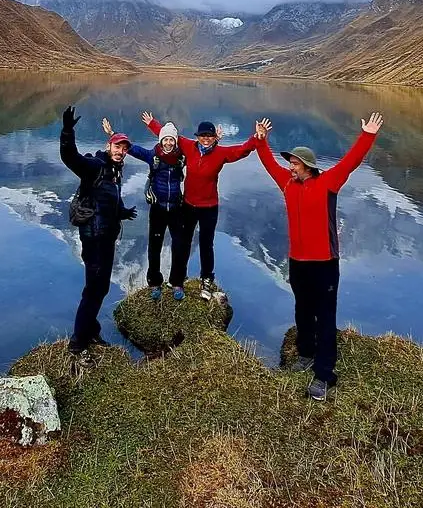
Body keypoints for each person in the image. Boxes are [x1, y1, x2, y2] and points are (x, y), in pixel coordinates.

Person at [254, 111, 385, 401]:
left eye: (294, 163)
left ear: (308, 166)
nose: (289, 167)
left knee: (325, 317)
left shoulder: (328, 183)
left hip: (325, 263)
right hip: (297, 262)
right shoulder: (287, 183)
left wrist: (367, 135)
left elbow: (350, 162)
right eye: (290, 163)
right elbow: (268, 163)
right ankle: (305, 354)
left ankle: (324, 375)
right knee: (302, 309)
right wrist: (261, 141)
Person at [141, 110, 256, 300]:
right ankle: (179, 278)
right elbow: (169, 136)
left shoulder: (221, 153)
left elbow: (241, 150)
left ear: (215, 137)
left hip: (209, 207)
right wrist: (152, 123)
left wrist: (256, 139)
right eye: (203, 135)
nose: (206, 139)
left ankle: (206, 279)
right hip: (188, 205)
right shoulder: (189, 146)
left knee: (206, 243)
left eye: (209, 136)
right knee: (183, 243)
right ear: (197, 137)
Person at [59, 105, 137, 355]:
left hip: (105, 237)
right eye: (117, 147)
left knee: (99, 287)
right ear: (108, 146)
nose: (121, 151)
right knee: (94, 289)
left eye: (124, 149)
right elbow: (71, 158)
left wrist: (122, 212)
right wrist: (67, 132)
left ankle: (90, 330)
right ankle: (78, 343)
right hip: (94, 238)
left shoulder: (114, 171)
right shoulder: (95, 166)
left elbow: (107, 199)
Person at [103, 115, 185, 300]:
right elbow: (132, 149)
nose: (169, 143)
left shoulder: (181, 157)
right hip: (158, 208)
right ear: (161, 141)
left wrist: (215, 141)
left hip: (176, 208)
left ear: (175, 141)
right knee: (155, 246)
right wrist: (112, 134)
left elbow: (200, 151)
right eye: (165, 139)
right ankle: (155, 283)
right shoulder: (153, 156)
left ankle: (177, 283)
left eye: (172, 140)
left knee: (179, 246)